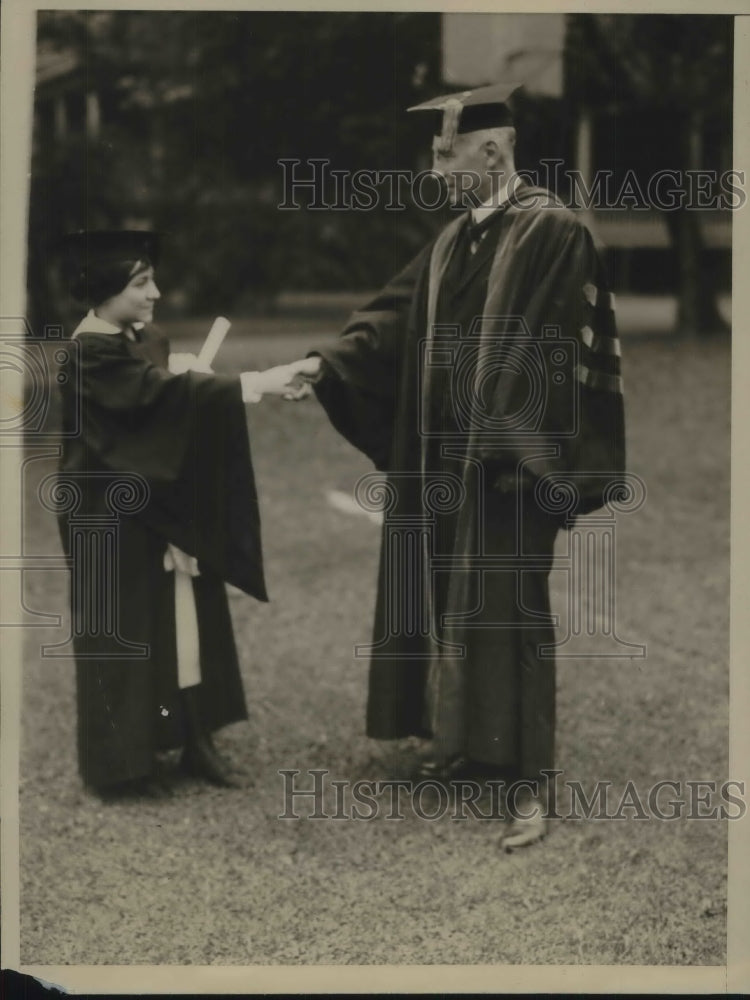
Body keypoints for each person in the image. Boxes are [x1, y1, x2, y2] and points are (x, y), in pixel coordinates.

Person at [285, 83, 626, 847]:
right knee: (450, 599)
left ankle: (528, 780)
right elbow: (389, 319)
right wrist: (321, 364)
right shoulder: (450, 243)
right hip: (445, 463)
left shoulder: (554, 232)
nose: (434, 167)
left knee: (513, 613)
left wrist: (512, 442)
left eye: (445, 152)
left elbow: (553, 344)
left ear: (493, 150)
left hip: (510, 466)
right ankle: (474, 747)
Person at [56, 230, 297, 798]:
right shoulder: (89, 351)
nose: (155, 293)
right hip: (108, 514)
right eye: (142, 283)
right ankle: (119, 763)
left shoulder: (137, 336)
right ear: (106, 288)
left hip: (157, 500)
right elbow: (149, 399)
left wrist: (186, 373)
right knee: (126, 627)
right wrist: (253, 382)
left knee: (189, 615)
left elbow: (161, 386)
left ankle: (195, 737)